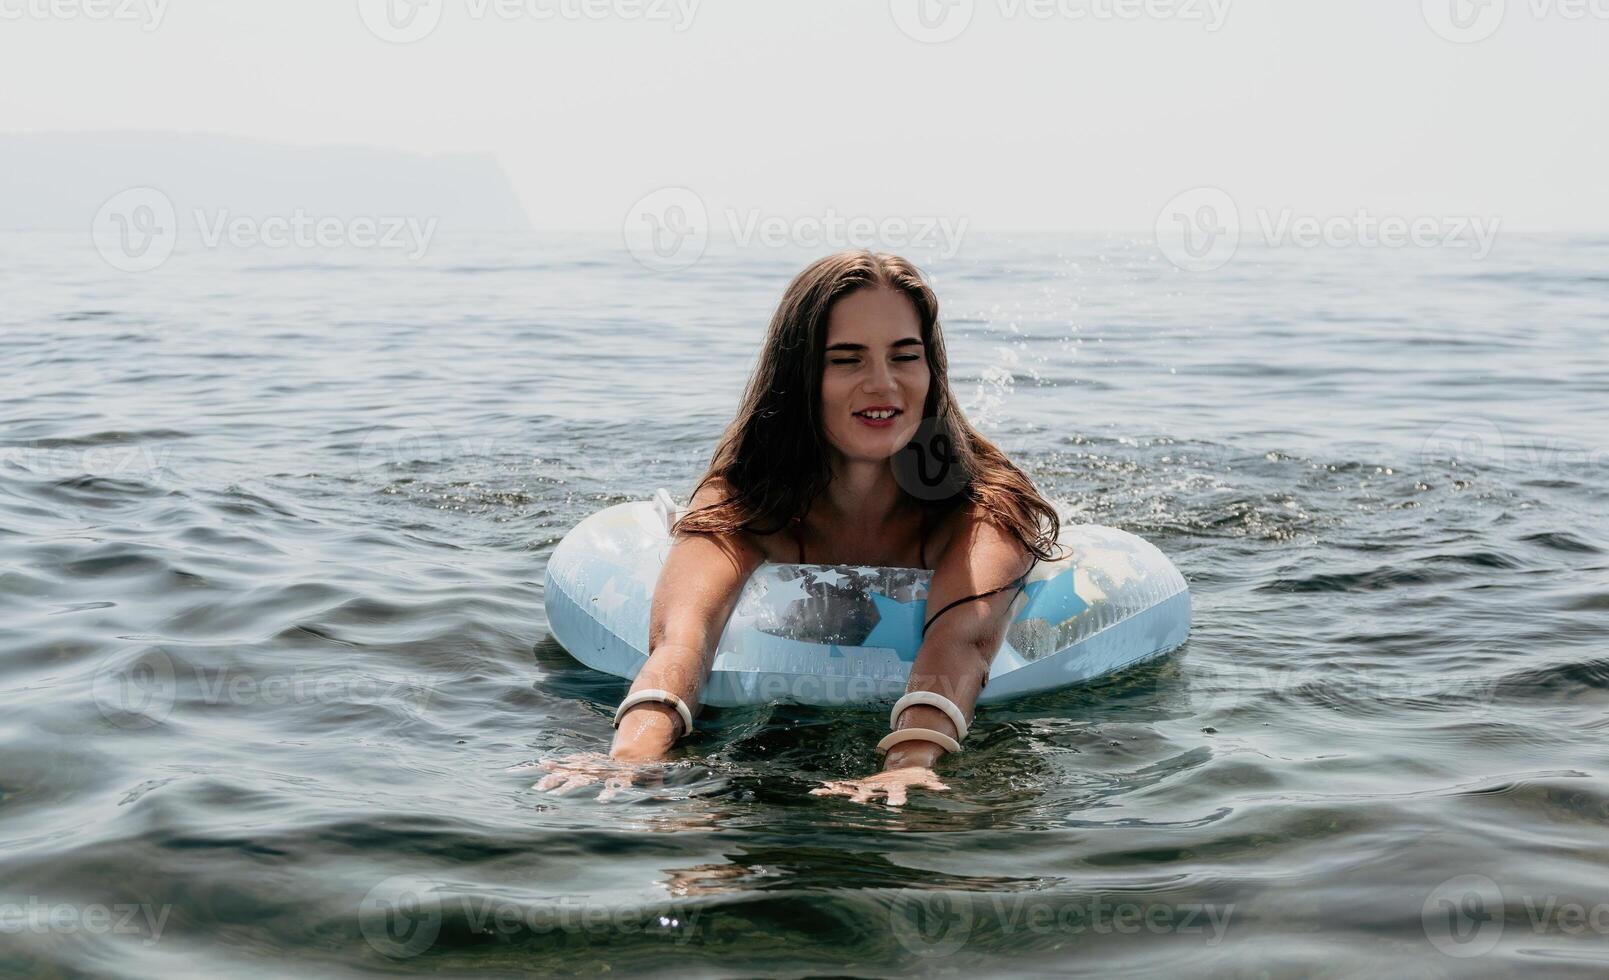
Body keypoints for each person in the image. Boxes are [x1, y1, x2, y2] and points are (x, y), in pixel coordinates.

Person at [533, 251, 1066, 806]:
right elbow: (682, 636)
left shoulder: (982, 508)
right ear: (800, 377)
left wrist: (906, 764)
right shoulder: (747, 502)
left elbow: (965, 641)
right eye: (846, 359)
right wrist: (634, 752)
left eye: (905, 356)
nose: (883, 384)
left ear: (931, 372)